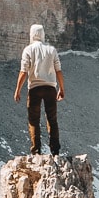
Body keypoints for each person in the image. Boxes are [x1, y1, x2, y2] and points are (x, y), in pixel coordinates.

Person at [14, 22, 65, 154]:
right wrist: (61, 88)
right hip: (50, 88)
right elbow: (58, 70)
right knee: (52, 119)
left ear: (31, 35)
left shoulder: (28, 50)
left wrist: (18, 90)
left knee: (33, 120)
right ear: (43, 35)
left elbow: (23, 72)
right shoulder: (51, 50)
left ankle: (36, 150)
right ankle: (55, 151)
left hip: (34, 89)